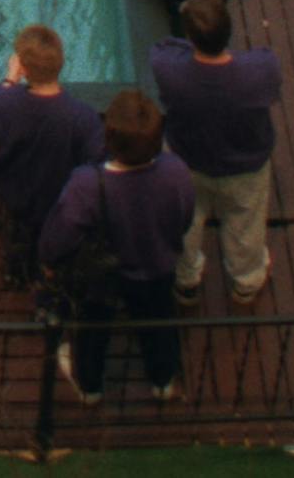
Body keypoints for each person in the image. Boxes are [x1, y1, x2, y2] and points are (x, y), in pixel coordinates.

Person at [38, 89, 193, 402]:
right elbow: (185, 215)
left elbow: (62, 231)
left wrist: (49, 262)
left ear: (108, 137)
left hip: (104, 274)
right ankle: (162, 382)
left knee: (93, 331)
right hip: (156, 266)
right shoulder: (175, 171)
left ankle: (91, 388)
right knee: (160, 323)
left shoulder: (87, 183)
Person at [152, 0, 280, 306]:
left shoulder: (170, 70)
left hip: (188, 161)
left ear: (191, 36)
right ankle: (246, 281)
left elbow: (163, 47)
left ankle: (186, 281)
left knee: (186, 222)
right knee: (245, 223)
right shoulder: (261, 70)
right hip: (245, 165)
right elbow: (264, 58)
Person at [0, 26, 102, 287]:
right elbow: (95, 163)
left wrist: (9, 80)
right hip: (61, 203)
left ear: (22, 67)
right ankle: (51, 280)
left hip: (17, 199)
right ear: (61, 62)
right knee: (59, 250)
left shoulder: (6, 105)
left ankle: (16, 277)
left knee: (17, 242)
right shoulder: (82, 116)